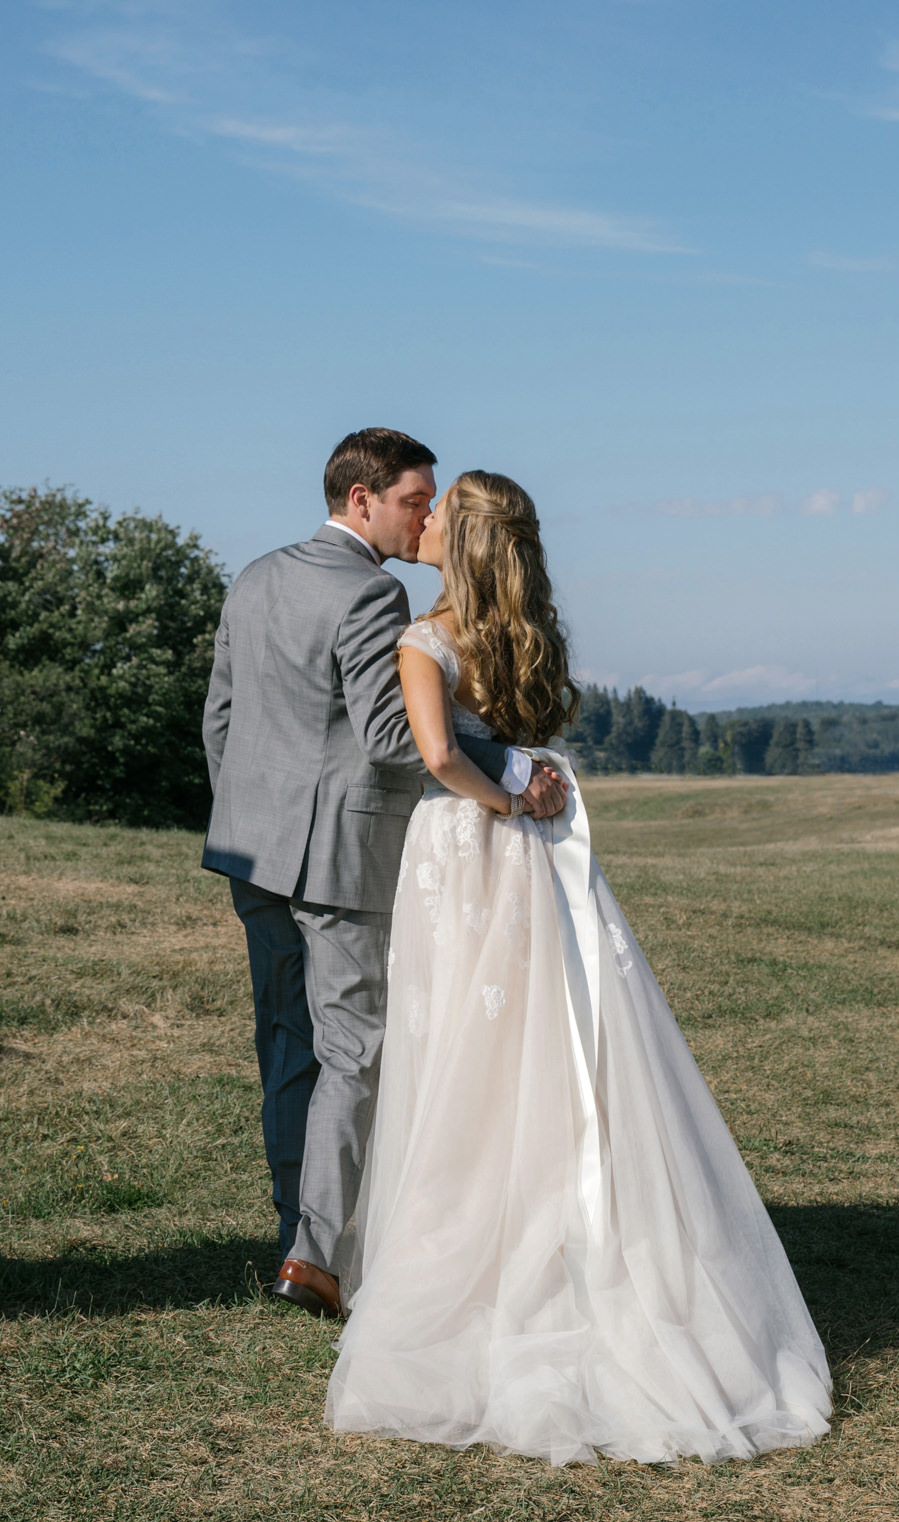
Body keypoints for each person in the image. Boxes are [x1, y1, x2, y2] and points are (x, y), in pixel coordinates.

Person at [324, 470, 833, 1465]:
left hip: (470, 858)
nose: (418, 523)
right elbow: (519, 741)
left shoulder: (423, 642)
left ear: (459, 542)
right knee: (553, 1049)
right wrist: (529, 786)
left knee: (469, 1065)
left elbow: (436, 756)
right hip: (537, 869)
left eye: (435, 516)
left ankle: (485, 1265)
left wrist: (505, 800)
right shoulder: (525, 637)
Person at [201, 430, 568, 1318]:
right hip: (337, 855)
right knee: (354, 1050)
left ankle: (296, 1229)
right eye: (414, 500)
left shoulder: (253, 577)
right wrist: (508, 764)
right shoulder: (372, 592)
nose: (424, 518)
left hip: (252, 851)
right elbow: (393, 736)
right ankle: (317, 1257)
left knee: (288, 1046)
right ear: (360, 499)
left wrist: (251, 818)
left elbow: (220, 718)